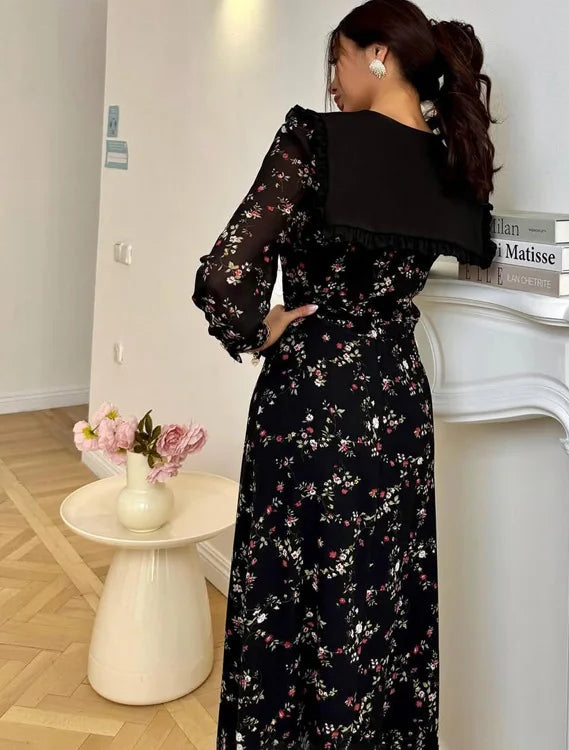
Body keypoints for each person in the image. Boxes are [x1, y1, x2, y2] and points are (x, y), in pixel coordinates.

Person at [192, 1, 497, 747]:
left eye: (337, 58)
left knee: (290, 602)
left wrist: (258, 327)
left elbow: (225, 277)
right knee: (376, 602)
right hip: (396, 403)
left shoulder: (315, 140)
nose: (331, 79)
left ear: (379, 54)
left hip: (311, 398)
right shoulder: (454, 162)